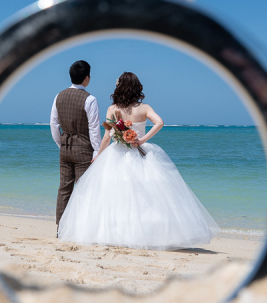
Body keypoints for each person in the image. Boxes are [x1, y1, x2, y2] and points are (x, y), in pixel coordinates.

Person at [58, 72, 220, 250]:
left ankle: (116, 233)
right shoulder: (144, 108)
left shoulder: (113, 109)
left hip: (116, 153)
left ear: (119, 87)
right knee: (147, 195)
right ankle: (150, 235)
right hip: (140, 153)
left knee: (116, 194)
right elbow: (160, 122)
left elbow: (107, 136)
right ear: (137, 88)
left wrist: (98, 155)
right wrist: (142, 140)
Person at [50, 60, 102, 227]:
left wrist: (61, 143)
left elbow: (53, 124)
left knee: (64, 189)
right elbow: (94, 129)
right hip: (83, 149)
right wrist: (97, 151)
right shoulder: (90, 99)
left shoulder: (59, 96)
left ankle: (61, 227)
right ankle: (80, 227)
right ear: (86, 78)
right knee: (83, 189)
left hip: (65, 147)